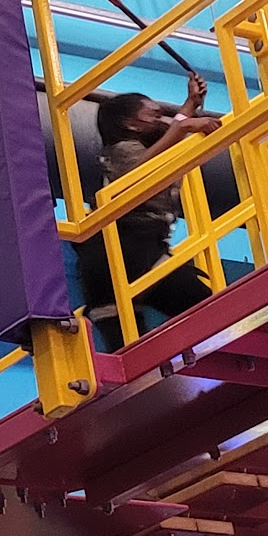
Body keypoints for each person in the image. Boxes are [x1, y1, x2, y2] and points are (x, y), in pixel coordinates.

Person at [82, 74, 222, 351]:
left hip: (130, 257)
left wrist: (190, 105)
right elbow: (142, 170)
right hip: (125, 253)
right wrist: (184, 126)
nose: (163, 121)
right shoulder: (122, 151)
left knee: (132, 342)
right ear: (131, 124)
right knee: (207, 309)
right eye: (154, 116)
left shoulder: (147, 146)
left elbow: (165, 142)